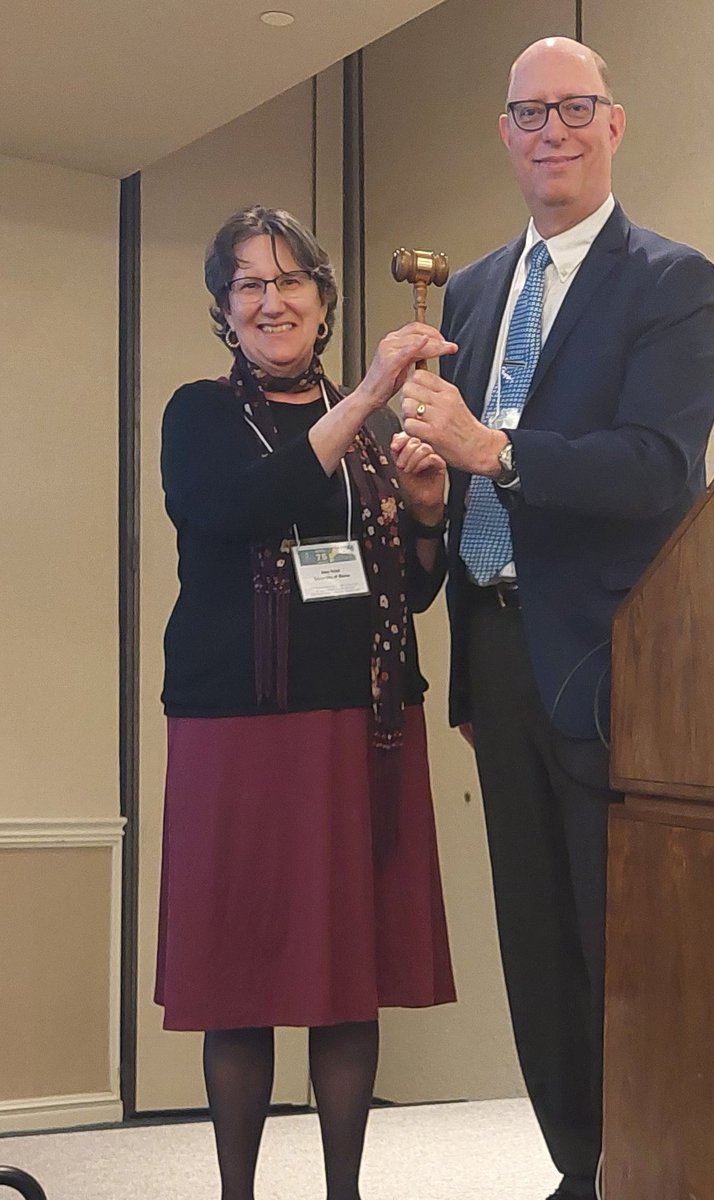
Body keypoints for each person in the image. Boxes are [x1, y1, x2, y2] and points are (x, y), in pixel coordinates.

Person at [397, 38, 714, 1200]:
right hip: (497, 649)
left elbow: (655, 470)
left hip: (610, 662)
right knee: (535, 945)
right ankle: (577, 1169)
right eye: (530, 113)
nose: (553, 131)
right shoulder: (482, 288)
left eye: (574, 109)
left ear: (616, 124)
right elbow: (476, 476)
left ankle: (646, 1164)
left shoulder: (673, 282)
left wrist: (489, 450)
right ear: (504, 133)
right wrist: (442, 492)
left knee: (616, 945)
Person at [155, 205, 457, 1200]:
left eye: (289, 281)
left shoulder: (374, 441)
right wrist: (371, 390)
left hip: (355, 724)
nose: (270, 300)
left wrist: (422, 522)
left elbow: (402, 596)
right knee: (240, 979)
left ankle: (343, 1192)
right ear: (224, 311)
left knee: (343, 981)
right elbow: (240, 508)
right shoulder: (198, 415)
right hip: (235, 728)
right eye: (248, 284)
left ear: (322, 301)